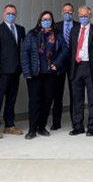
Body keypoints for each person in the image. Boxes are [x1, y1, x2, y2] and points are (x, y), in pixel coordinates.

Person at [21, 11, 69, 139]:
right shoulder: (32, 34)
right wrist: (27, 71)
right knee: (35, 102)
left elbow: (65, 49)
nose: (46, 21)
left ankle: (41, 127)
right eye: (44, 19)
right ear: (40, 20)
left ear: (52, 21)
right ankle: (32, 129)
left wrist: (57, 63)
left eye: (48, 19)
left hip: (50, 73)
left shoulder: (57, 34)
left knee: (47, 101)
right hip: (35, 74)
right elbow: (24, 53)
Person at [0, 4, 26, 139]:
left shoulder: (21, 29)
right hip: (2, 71)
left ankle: (9, 125)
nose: (11, 15)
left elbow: (22, 49)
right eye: (8, 13)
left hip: (15, 71)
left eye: (13, 13)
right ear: (4, 14)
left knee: (11, 99)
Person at [68, 5, 93, 137]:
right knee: (77, 99)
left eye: (85, 16)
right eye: (81, 16)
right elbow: (70, 49)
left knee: (92, 99)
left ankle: (92, 127)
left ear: (90, 16)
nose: (83, 18)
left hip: (90, 67)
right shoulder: (74, 30)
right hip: (76, 67)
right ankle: (78, 126)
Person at [52, 3, 76, 130]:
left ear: (73, 13)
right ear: (61, 12)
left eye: (70, 11)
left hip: (74, 64)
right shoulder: (56, 26)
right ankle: (56, 122)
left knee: (74, 94)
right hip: (60, 63)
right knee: (57, 94)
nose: (68, 13)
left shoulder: (78, 26)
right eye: (65, 11)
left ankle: (75, 121)